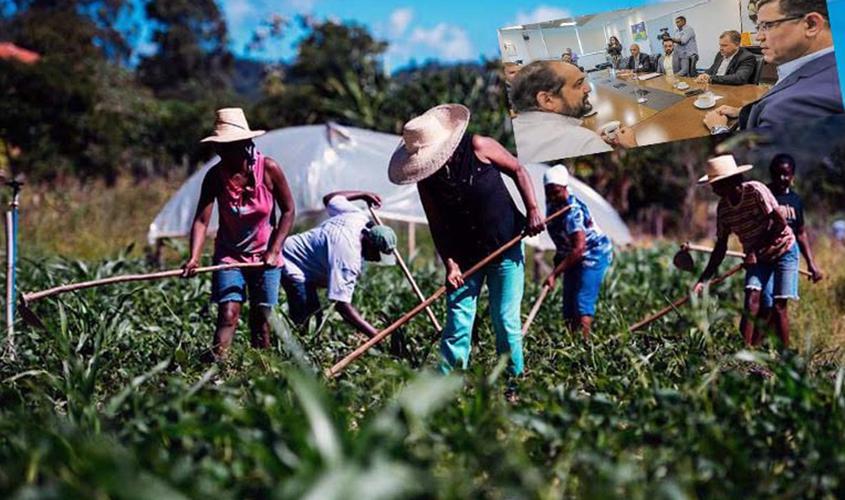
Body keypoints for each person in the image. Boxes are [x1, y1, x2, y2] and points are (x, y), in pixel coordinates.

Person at [388, 104, 545, 401]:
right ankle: (447, 387)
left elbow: (518, 170)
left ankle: (513, 384)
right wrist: (450, 264)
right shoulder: (426, 180)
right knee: (458, 323)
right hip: (463, 258)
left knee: (505, 319)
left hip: (505, 246)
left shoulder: (479, 146)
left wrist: (533, 210)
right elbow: (438, 225)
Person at [183, 108, 296, 360]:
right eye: (219, 147)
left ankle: (260, 375)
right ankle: (216, 370)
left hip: (265, 256)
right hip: (229, 255)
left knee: (261, 319)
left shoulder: (269, 169)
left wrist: (274, 250)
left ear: (245, 143)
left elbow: (288, 211)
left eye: (228, 146)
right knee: (228, 314)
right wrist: (193, 257)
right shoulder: (215, 176)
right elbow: (202, 220)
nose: (221, 152)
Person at [693, 154, 797, 348]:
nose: (714, 189)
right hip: (757, 257)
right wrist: (704, 279)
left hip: (783, 248)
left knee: (778, 305)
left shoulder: (756, 191)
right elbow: (721, 247)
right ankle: (744, 354)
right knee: (752, 299)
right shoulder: (724, 209)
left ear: (731, 181)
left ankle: (787, 359)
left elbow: (780, 223)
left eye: (717, 184)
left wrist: (755, 250)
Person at [704, 0, 842, 134]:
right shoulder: (827, 67)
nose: (758, 37)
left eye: (767, 26)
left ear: (811, 24)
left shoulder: (798, 105)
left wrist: (718, 128)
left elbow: (749, 157)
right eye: (758, 28)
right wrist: (741, 111)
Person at [279, 191, 398, 339]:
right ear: (369, 244)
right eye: (376, 255)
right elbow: (341, 305)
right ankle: (293, 354)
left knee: (314, 319)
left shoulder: (358, 217)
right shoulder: (347, 257)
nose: (375, 260)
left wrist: (362, 195)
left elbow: (330, 199)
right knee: (307, 322)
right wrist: (375, 334)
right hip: (292, 263)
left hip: (300, 254)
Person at [510, 60, 638, 163]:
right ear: (547, 100)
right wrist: (631, 147)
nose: (587, 89)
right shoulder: (584, 142)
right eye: (578, 84)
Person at [542, 165, 613, 340]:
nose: (552, 196)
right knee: (568, 305)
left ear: (565, 188)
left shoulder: (573, 212)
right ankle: (571, 344)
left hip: (593, 253)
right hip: (573, 255)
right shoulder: (552, 205)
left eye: (556, 192)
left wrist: (554, 274)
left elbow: (579, 249)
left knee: (581, 302)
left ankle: (583, 348)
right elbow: (563, 241)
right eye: (548, 192)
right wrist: (558, 261)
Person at [764, 154, 823, 316]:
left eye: (786, 174)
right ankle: (757, 340)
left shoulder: (795, 200)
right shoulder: (764, 195)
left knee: (780, 303)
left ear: (792, 176)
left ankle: (775, 340)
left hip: (788, 252)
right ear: (771, 174)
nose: (782, 178)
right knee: (765, 301)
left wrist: (811, 263)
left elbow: (801, 233)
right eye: (777, 174)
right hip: (766, 253)